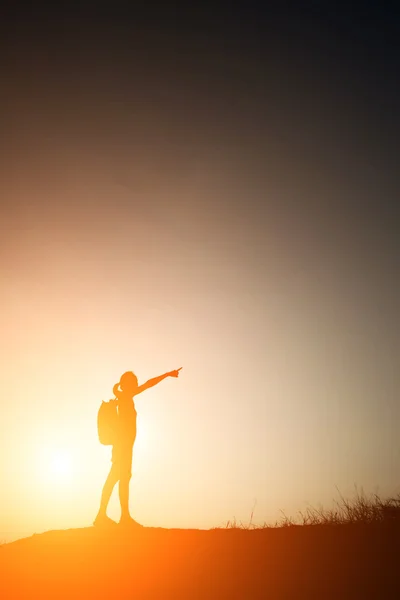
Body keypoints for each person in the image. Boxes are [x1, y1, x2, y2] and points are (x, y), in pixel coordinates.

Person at [94, 367, 182, 527]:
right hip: (123, 447)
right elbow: (149, 384)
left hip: (123, 446)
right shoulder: (126, 396)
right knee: (120, 479)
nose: (136, 385)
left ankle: (104, 516)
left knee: (115, 478)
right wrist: (167, 374)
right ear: (126, 385)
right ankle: (122, 518)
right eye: (133, 382)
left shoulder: (123, 397)